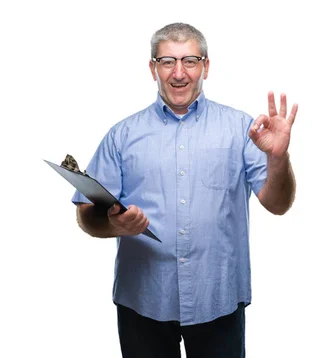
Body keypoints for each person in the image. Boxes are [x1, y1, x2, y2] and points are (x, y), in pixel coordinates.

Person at [73, 22, 297, 358]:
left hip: (217, 300)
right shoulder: (122, 135)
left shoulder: (240, 129)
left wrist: (279, 159)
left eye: (189, 61)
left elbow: (278, 204)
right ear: (153, 69)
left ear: (206, 66)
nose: (179, 73)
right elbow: (86, 214)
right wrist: (112, 225)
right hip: (142, 303)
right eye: (167, 62)